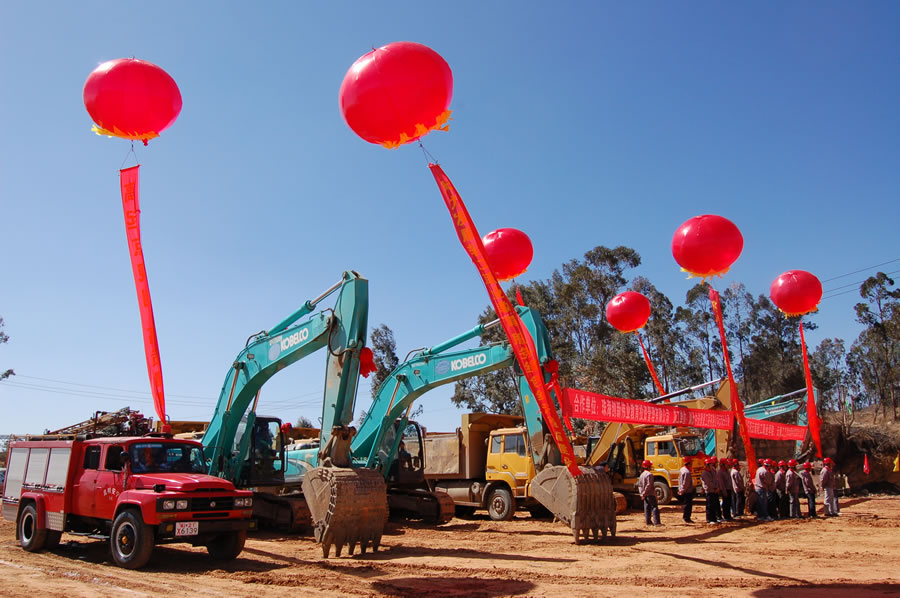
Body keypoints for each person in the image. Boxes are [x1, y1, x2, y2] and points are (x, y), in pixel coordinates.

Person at [638, 459, 661, 526]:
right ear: (648, 467)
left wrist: (642, 494)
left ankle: (648, 522)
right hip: (650, 494)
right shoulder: (649, 474)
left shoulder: (641, 475)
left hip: (645, 495)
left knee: (647, 508)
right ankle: (657, 522)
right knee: (654, 507)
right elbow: (649, 485)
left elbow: (639, 485)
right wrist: (645, 493)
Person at [701, 457, 722, 524]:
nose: (712, 466)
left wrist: (717, 487)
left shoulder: (713, 472)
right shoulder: (704, 473)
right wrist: (715, 488)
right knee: (710, 506)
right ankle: (710, 519)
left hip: (714, 491)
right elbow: (708, 483)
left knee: (714, 505)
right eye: (710, 464)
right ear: (707, 465)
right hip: (709, 491)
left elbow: (716, 480)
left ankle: (714, 518)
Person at [678, 456, 695, 523]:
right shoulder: (687, 472)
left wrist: (680, 489)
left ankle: (686, 517)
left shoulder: (682, 469)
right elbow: (686, 483)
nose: (692, 464)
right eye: (691, 463)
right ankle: (687, 518)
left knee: (686, 505)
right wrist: (683, 490)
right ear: (688, 463)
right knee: (688, 505)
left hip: (684, 490)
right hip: (687, 491)